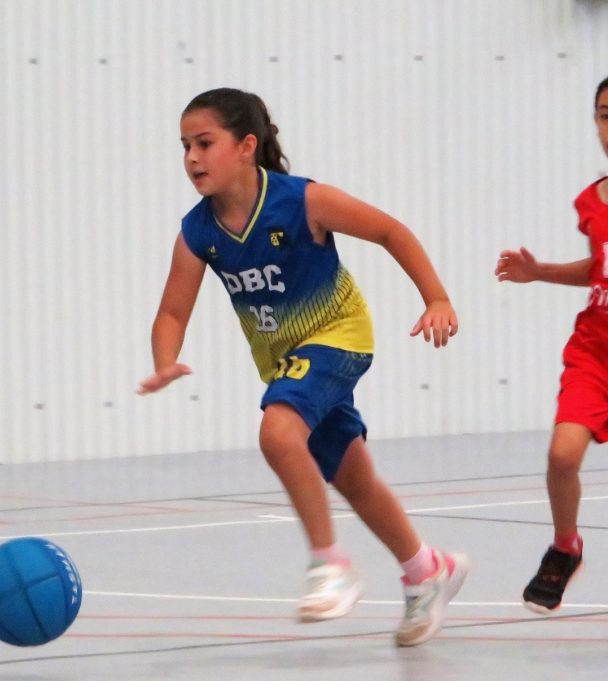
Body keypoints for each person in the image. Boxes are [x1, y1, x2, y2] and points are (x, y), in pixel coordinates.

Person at [139, 87, 468, 646]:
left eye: (204, 143)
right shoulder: (198, 232)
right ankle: (426, 570)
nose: (191, 157)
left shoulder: (302, 201)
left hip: (339, 335)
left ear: (246, 146)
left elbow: (390, 231)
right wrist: (165, 362)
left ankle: (329, 563)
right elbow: (171, 312)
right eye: (185, 146)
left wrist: (435, 297)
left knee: (277, 431)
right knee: (353, 477)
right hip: (285, 362)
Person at [495, 76, 608, 614]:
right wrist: (538, 272)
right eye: (605, 115)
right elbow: (599, 267)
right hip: (595, 349)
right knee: (562, 455)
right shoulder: (592, 200)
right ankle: (566, 547)